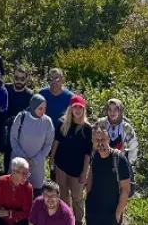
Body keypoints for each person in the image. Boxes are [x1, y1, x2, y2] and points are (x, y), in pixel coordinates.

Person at [50, 95, 92, 223]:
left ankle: (78, 220)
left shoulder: (87, 128)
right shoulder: (62, 123)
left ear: (84, 109)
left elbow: (88, 153)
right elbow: (56, 142)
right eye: (75, 107)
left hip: (77, 169)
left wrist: (85, 172)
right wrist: (51, 159)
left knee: (77, 197)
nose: (77, 110)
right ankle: (66, 219)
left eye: (80, 107)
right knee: (62, 194)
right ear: (70, 108)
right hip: (61, 165)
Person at [85, 123, 131, 225]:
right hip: (93, 211)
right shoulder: (94, 155)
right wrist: (87, 200)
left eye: (103, 140)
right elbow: (91, 178)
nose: (100, 143)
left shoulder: (119, 159)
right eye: (97, 140)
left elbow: (126, 190)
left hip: (111, 214)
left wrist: (118, 213)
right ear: (93, 142)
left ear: (108, 139)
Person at [10, 94, 55, 194]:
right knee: (15, 191)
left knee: (34, 194)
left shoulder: (47, 122)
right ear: (33, 107)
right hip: (18, 163)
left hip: (36, 166)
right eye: (40, 108)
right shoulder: (21, 117)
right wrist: (24, 159)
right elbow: (13, 139)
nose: (43, 111)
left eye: (45, 108)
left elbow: (48, 144)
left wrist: (34, 160)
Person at [4, 65, 34, 170]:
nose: (19, 81)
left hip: (20, 132)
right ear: (13, 77)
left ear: (26, 79)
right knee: (6, 158)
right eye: (16, 78)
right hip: (5, 129)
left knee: (18, 160)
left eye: (22, 78)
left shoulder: (29, 95)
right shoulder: (6, 88)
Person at [96, 98, 139, 170]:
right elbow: (92, 141)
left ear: (120, 110)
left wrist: (129, 166)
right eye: (110, 109)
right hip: (100, 163)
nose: (112, 112)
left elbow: (133, 148)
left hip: (120, 166)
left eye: (115, 109)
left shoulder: (126, 128)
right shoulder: (101, 123)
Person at [0, 158, 34, 225]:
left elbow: (27, 212)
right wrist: (5, 214)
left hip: (20, 220)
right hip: (3, 219)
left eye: (27, 173)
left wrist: (9, 213)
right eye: (23, 173)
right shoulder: (1, 181)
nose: (26, 177)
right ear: (14, 172)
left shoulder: (28, 187)